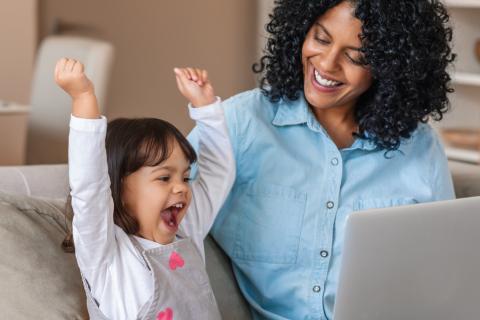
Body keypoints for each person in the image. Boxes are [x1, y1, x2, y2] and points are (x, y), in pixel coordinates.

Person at [188, 0, 456, 319]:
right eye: (321, 39)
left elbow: (446, 268)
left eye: (356, 56)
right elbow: (160, 215)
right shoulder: (240, 124)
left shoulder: (420, 148)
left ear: (389, 68)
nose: (327, 64)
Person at [56, 59, 234, 320]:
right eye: (164, 178)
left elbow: (218, 172)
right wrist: (84, 98)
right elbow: (89, 188)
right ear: (117, 187)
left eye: (185, 177)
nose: (181, 188)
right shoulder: (108, 257)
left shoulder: (186, 234)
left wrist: (205, 106)